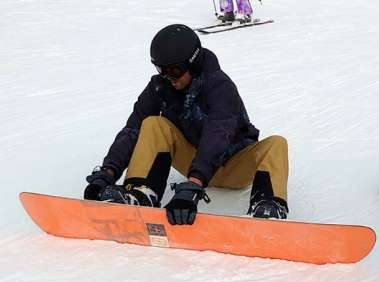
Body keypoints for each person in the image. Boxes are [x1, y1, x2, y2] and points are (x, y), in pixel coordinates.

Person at [84, 24, 289, 225]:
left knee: (276, 144)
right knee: (154, 124)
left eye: (175, 70)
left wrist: (194, 183)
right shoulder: (160, 87)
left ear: (194, 63)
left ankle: (268, 207)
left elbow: (218, 134)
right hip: (194, 161)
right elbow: (132, 128)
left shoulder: (220, 86)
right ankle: (139, 193)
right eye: (161, 69)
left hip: (234, 165)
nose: (169, 77)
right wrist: (108, 171)